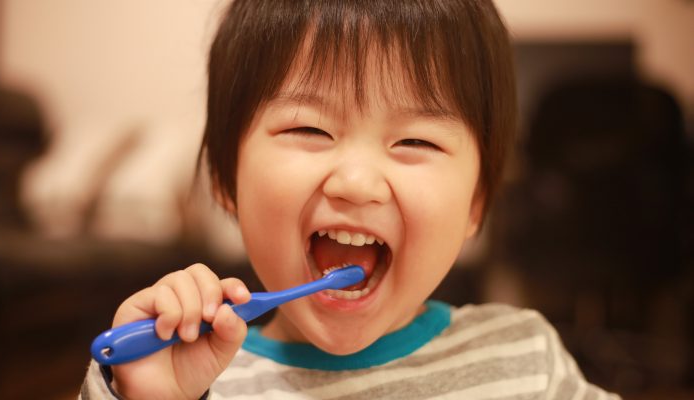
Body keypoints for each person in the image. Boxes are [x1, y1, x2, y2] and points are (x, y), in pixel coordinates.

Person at [81, 1, 619, 398]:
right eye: (310, 129)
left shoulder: (525, 362)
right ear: (225, 179)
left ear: (477, 203)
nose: (357, 183)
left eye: (416, 140)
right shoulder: (185, 373)